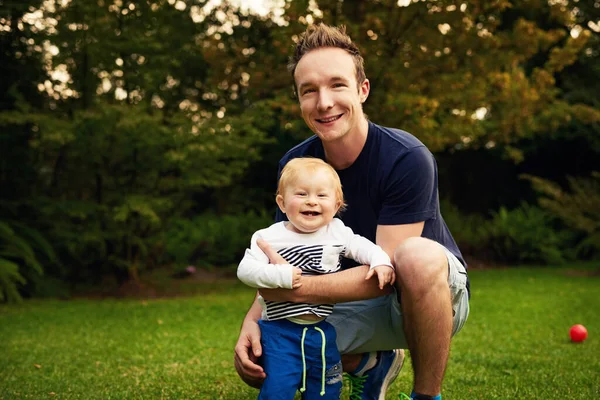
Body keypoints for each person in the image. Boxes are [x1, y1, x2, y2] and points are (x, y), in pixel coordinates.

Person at [234, 23, 470, 400]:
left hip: (423, 297)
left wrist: (294, 287)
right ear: (298, 100)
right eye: (308, 91)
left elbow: (387, 274)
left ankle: (427, 396)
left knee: (415, 255)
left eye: (337, 85)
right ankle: (369, 365)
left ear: (363, 89)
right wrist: (255, 319)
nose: (323, 102)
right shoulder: (296, 164)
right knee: (261, 365)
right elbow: (280, 251)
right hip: (340, 298)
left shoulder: (406, 157)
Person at [237, 157, 395, 399]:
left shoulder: (337, 232)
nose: (312, 200)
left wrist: (380, 261)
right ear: (282, 202)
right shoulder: (268, 236)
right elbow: (246, 270)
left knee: (325, 386)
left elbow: (362, 246)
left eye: (322, 196)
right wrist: (280, 275)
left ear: (336, 205)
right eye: (301, 194)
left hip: (320, 330)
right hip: (279, 331)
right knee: (278, 387)